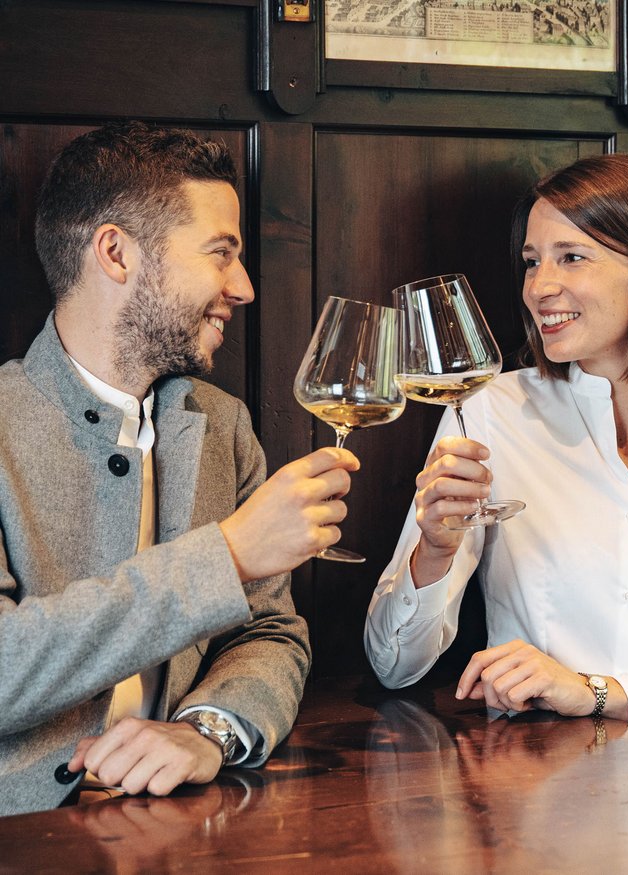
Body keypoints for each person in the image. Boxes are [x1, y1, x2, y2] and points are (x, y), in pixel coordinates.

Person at [0, 121, 360, 814]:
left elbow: (271, 632)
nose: (245, 286)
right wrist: (224, 556)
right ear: (116, 253)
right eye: (221, 253)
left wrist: (210, 730)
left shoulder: (222, 425)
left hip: (187, 825)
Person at [365, 153, 628, 727]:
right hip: (541, 781)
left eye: (572, 257)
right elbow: (394, 665)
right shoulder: (491, 413)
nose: (540, 287)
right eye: (531, 262)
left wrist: (600, 693)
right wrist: (436, 551)